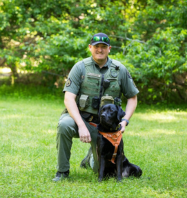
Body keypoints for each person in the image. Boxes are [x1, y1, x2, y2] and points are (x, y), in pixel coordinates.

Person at [53, 33, 139, 181]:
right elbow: (68, 98)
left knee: (101, 171)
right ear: (90, 47)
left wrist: (124, 120)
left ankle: (90, 158)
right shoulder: (80, 68)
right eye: (97, 46)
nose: (100, 50)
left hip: (106, 128)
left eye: (103, 47)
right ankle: (62, 172)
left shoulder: (120, 70)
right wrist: (80, 125)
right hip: (81, 118)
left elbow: (132, 97)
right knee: (64, 124)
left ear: (109, 49)